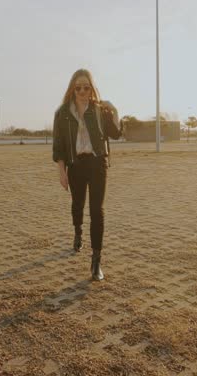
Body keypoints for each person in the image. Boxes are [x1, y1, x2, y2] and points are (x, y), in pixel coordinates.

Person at [52, 69, 122, 281]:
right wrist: (62, 172)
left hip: (97, 163)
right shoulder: (62, 113)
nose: (82, 91)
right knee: (78, 205)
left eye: (86, 87)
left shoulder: (100, 110)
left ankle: (96, 261)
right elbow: (59, 146)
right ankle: (77, 232)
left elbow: (116, 134)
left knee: (97, 211)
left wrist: (115, 111)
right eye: (78, 87)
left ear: (92, 89)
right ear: (72, 89)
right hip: (76, 164)